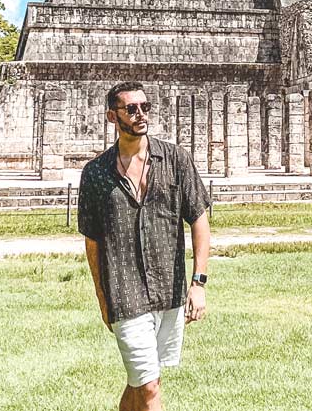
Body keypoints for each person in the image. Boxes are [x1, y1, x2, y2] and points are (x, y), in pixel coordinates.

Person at [79, 81, 211, 411]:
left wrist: (199, 283)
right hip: (123, 293)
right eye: (131, 109)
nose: (141, 115)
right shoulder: (96, 173)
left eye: (145, 107)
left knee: (142, 381)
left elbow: (199, 219)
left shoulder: (176, 160)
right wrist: (101, 296)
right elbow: (92, 241)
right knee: (150, 387)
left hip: (169, 288)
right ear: (113, 116)